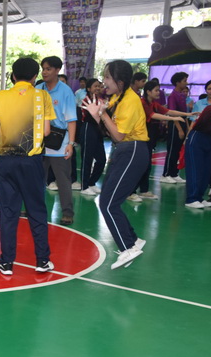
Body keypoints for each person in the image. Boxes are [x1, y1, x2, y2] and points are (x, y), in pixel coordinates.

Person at [0, 57, 56, 276]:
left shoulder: (0, 96)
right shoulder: (42, 96)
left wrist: (10, 131)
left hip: (6, 162)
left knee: (8, 212)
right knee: (36, 210)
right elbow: (46, 131)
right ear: (35, 76)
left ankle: (6, 263)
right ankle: (42, 260)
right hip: (31, 161)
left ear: (14, 76)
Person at [82, 60, 150, 270]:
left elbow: (119, 135)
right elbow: (110, 130)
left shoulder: (130, 101)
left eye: (107, 77)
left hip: (133, 150)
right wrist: (98, 115)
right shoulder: (117, 98)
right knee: (110, 199)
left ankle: (128, 247)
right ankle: (134, 240)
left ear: (120, 81)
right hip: (124, 151)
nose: (104, 82)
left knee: (108, 204)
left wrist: (101, 114)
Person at [135, 80, 194, 201]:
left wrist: (187, 114)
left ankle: (144, 190)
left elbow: (169, 111)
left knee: (147, 164)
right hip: (140, 135)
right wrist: (173, 119)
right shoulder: (142, 102)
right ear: (148, 92)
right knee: (140, 164)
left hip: (150, 135)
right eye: (156, 90)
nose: (159, 92)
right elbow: (152, 115)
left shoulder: (154, 103)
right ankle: (130, 192)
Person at [36, 56, 78, 225]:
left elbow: (71, 120)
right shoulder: (38, 89)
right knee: (36, 178)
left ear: (57, 70)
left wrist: (71, 144)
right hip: (39, 141)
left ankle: (67, 212)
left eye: (48, 69)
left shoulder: (65, 91)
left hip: (60, 142)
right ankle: (33, 208)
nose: (44, 72)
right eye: (43, 69)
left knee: (63, 180)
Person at [183, 102, 211, 208]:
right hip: (196, 138)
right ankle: (191, 199)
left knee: (206, 171)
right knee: (195, 170)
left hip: (209, 139)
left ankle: (199, 197)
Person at [78, 78, 106, 196]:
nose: (98, 88)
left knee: (102, 159)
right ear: (89, 89)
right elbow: (88, 116)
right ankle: (84, 186)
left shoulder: (101, 100)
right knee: (87, 158)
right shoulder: (86, 101)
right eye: (95, 86)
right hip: (88, 128)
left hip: (98, 130)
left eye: (99, 86)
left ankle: (91, 182)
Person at [161, 71, 189, 183]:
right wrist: (180, 129)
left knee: (177, 150)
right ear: (177, 82)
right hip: (175, 124)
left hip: (182, 123)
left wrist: (187, 127)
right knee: (172, 150)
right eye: (184, 81)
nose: (186, 83)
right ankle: (166, 174)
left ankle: (174, 173)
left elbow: (184, 114)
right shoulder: (172, 96)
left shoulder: (182, 95)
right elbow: (173, 113)